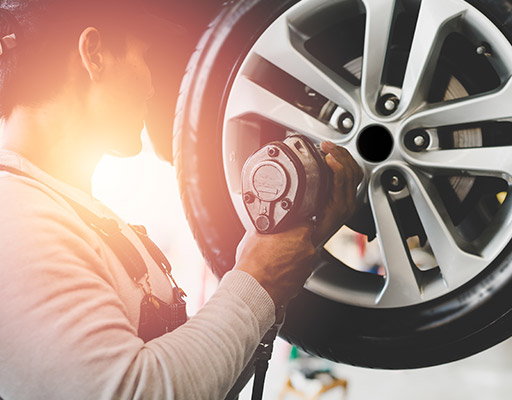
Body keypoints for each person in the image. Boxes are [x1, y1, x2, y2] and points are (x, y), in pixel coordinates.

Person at [0, 1, 363, 399]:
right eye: (145, 57)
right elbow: (129, 393)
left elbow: (202, 384)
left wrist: (279, 266)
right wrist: (257, 278)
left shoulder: (61, 208)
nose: (154, 86)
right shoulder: (14, 218)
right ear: (94, 54)